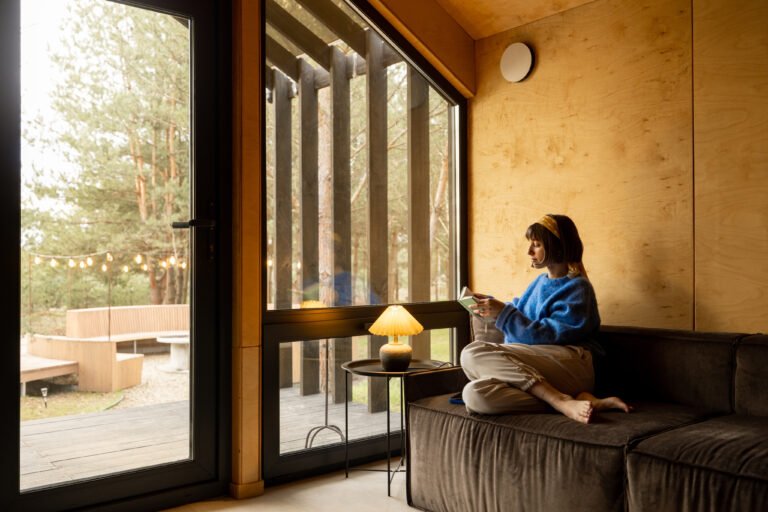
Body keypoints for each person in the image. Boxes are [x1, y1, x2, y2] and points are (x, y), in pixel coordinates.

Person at [461, 214, 631, 424]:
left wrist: (503, 313)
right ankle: (572, 401)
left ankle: (559, 399)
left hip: (575, 363)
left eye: (537, 245)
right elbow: (519, 311)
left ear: (557, 247)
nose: (529, 252)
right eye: (530, 244)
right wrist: (490, 305)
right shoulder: (539, 283)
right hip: (545, 367)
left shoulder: (578, 288)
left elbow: (547, 335)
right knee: (475, 395)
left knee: (472, 352)